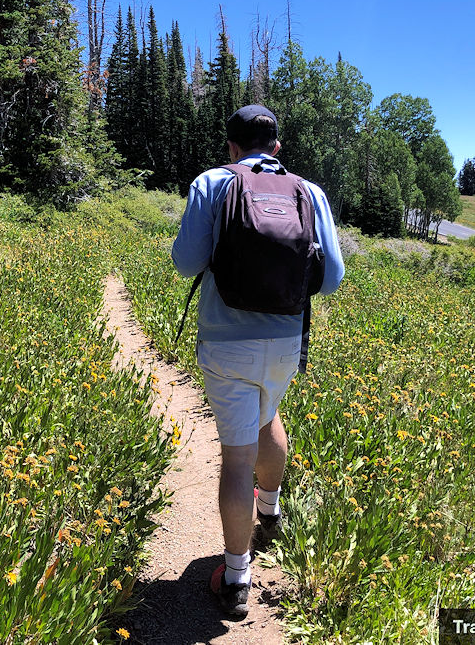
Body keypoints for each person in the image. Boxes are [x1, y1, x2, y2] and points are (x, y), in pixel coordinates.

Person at [170, 104, 345, 617]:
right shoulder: (308, 192)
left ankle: (236, 575)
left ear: (231, 147)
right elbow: (331, 279)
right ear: (276, 148)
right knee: (269, 416)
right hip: (287, 340)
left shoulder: (212, 183)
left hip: (226, 342)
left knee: (238, 456)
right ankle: (270, 513)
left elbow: (184, 265)